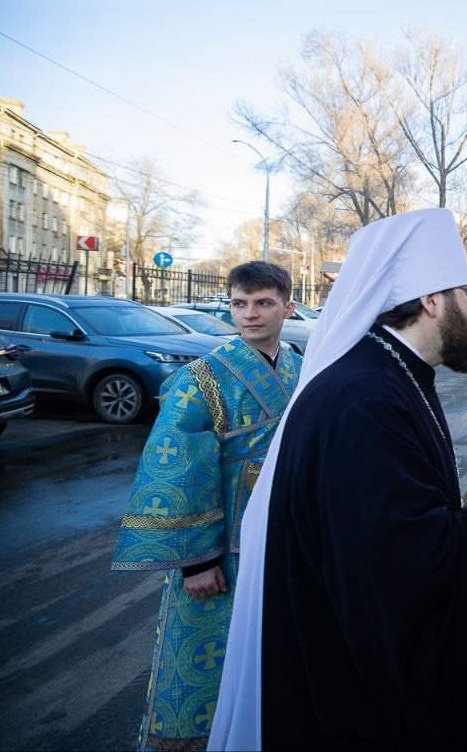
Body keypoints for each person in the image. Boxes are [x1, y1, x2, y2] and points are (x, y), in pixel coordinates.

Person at [210, 208, 467, 750]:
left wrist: (457, 510)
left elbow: (378, 525)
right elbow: (410, 569)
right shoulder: (367, 399)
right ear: (432, 300)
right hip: (349, 689)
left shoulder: (388, 372)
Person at [112, 261, 302, 751]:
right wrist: (197, 559)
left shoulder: (303, 368)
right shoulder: (201, 378)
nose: (250, 314)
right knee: (212, 649)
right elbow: (175, 469)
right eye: (240, 303)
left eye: (264, 303)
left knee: (280, 647)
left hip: (287, 536)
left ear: (288, 305)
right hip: (225, 545)